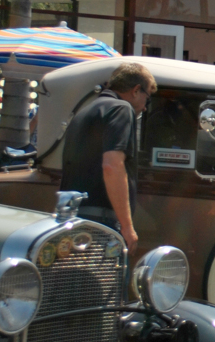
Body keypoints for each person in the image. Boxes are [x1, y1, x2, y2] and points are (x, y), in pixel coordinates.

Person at [59, 61, 156, 254]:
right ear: (136, 90)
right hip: (100, 222)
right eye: (148, 98)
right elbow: (112, 166)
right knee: (106, 283)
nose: (145, 107)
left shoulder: (86, 111)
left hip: (73, 218)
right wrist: (127, 226)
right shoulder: (121, 109)